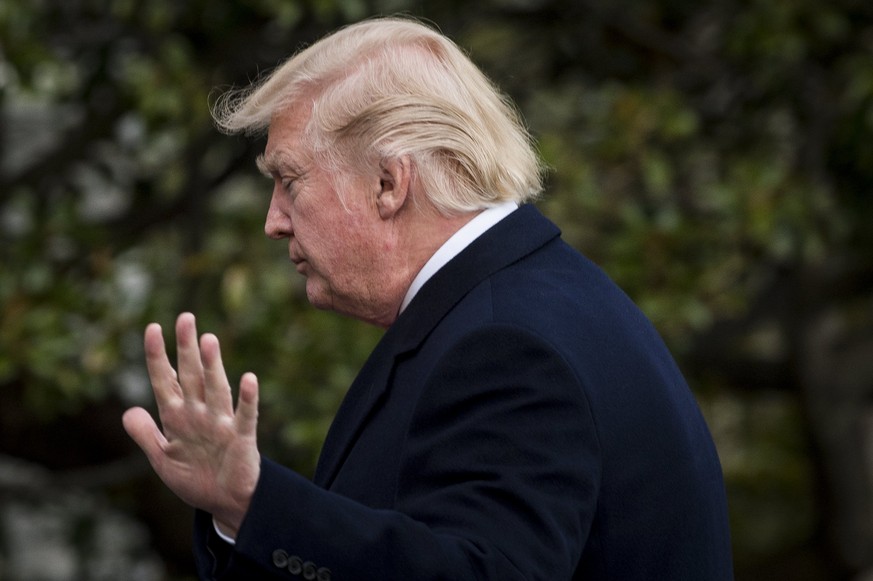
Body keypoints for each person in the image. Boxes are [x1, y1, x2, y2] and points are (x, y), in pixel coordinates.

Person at [123, 16, 734, 581]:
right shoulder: (516, 302)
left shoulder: (507, 342)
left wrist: (253, 502)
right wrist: (242, 517)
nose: (274, 221)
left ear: (389, 183)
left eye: (289, 181)